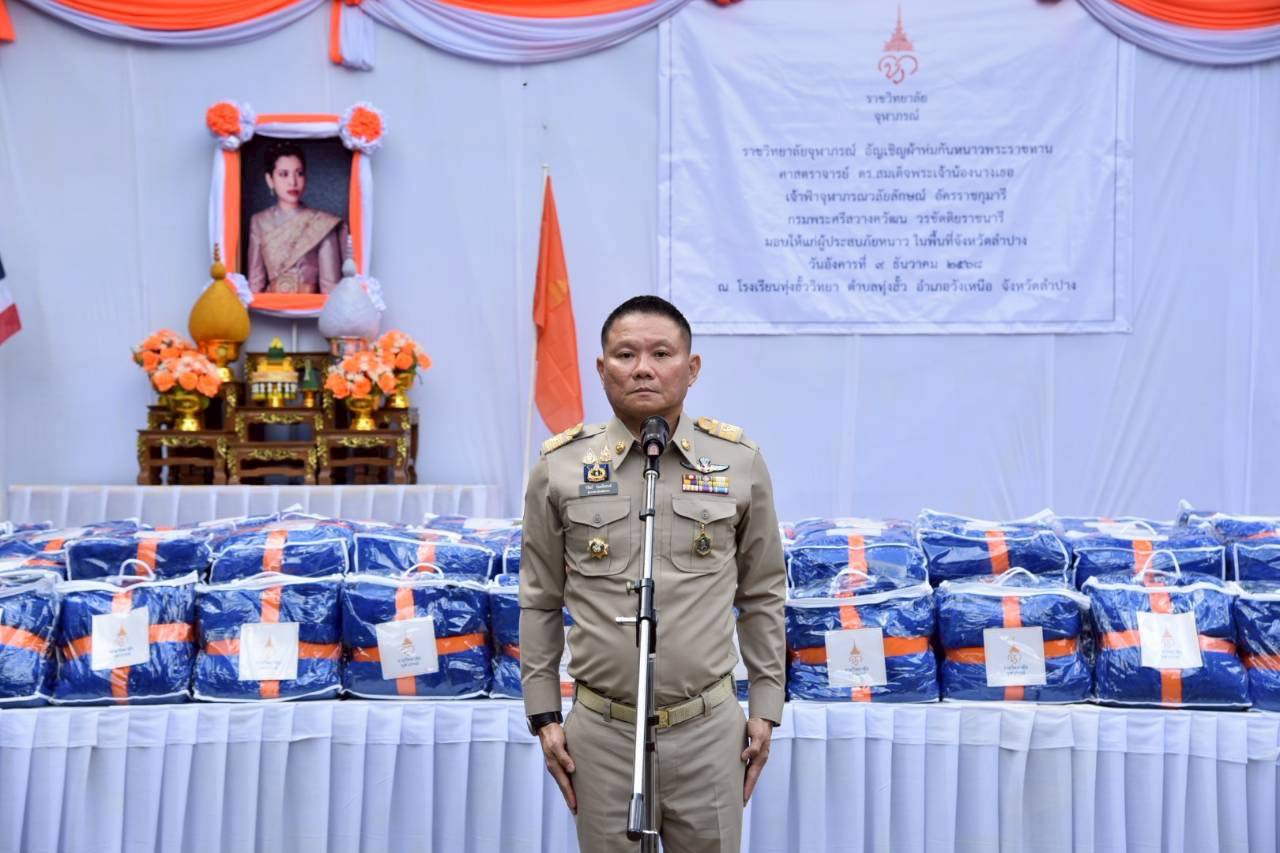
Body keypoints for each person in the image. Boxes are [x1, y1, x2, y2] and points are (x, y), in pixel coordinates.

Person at [520, 295, 786, 852]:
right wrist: (543, 714)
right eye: (625, 355)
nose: (643, 368)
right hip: (602, 733)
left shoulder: (738, 462)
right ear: (601, 369)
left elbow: (762, 593)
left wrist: (766, 707)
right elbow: (540, 598)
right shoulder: (560, 467)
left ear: (692, 367)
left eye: (661, 353)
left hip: (708, 731)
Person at [246, 141, 346, 295]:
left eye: (299, 173)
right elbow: (255, 283)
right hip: (269, 306)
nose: (293, 182)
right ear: (270, 180)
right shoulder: (259, 221)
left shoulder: (322, 223)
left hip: (310, 307)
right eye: (283, 174)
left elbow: (330, 287)